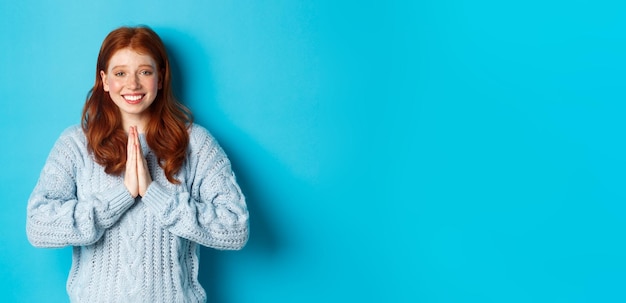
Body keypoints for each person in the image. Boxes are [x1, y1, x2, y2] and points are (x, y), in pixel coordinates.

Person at [26, 25, 249, 303]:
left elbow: (235, 229)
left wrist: (154, 194)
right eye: (120, 73)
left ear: (160, 77)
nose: (132, 84)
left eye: (144, 71)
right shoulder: (75, 144)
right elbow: (38, 226)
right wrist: (122, 195)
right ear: (105, 80)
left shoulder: (195, 143)